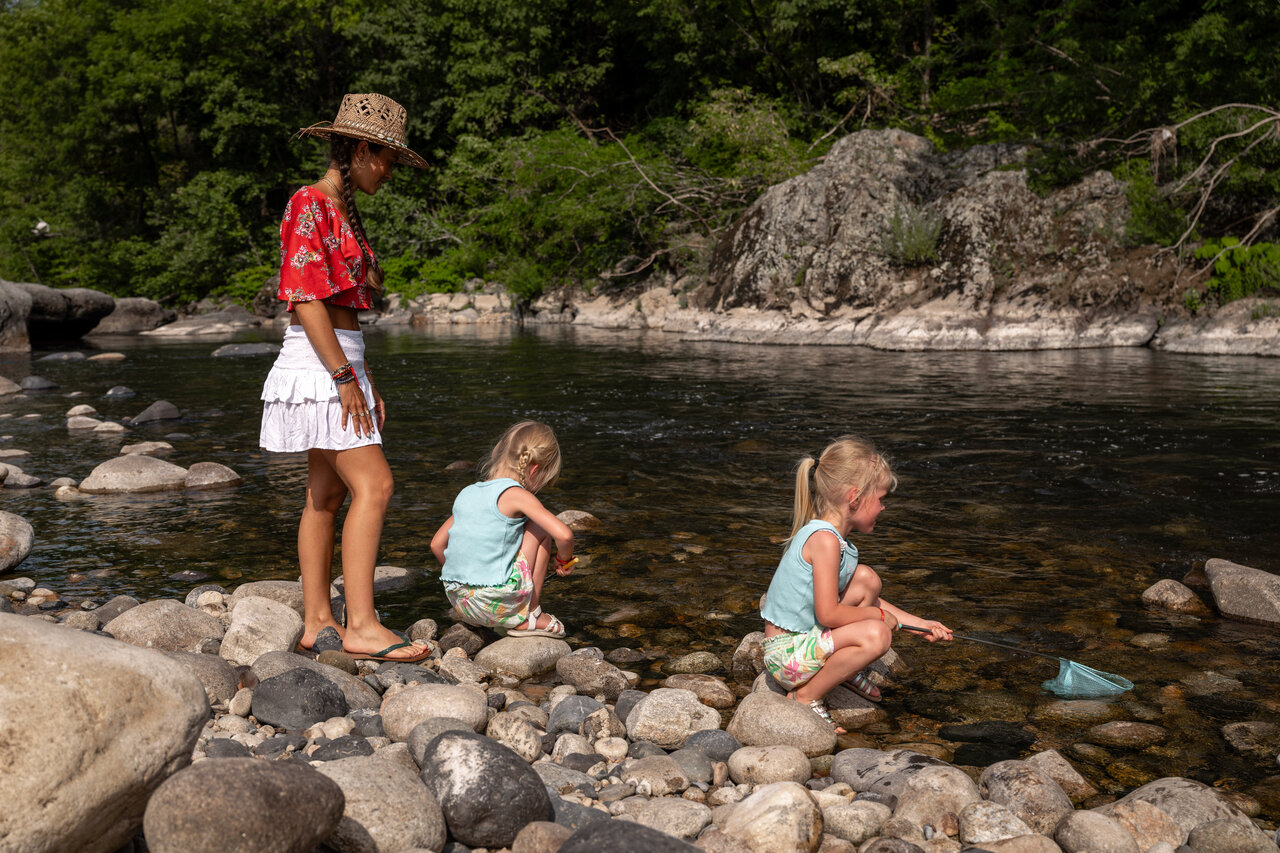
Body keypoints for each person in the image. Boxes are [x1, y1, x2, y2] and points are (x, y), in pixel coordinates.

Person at [260, 93, 430, 662]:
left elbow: (344, 312)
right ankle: (361, 625)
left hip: (337, 362)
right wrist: (342, 376)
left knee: (326, 493)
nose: (388, 172)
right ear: (359, 150)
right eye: (386, 159)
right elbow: (305, 298)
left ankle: (317, 621)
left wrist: (364, 376)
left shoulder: (338, 207)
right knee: (375, 486)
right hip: (321, 365)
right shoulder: (309, 202)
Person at [761, 436, 952, 732]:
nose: (883, 507)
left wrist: (920, 625)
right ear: (855, 497)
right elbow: (829, 614)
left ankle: (842, 669)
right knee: (877, 635)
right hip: (787, 658)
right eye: (881, 499)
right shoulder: (825, 541)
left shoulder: (835, 539)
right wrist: (878, 617)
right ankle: (805, 696)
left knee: (866, 578)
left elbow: (868, 601)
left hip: (805, 642)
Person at [431, 421, 576, 638]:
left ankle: (489, 615)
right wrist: (563, 560)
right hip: (495, 601)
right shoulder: (516, 494)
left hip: (462, 602)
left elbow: (436, 544)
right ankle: (531, 615)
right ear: (534, 469)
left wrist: (469, 580)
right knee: (540, 528)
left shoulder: (467, 493)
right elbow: (564, 535)